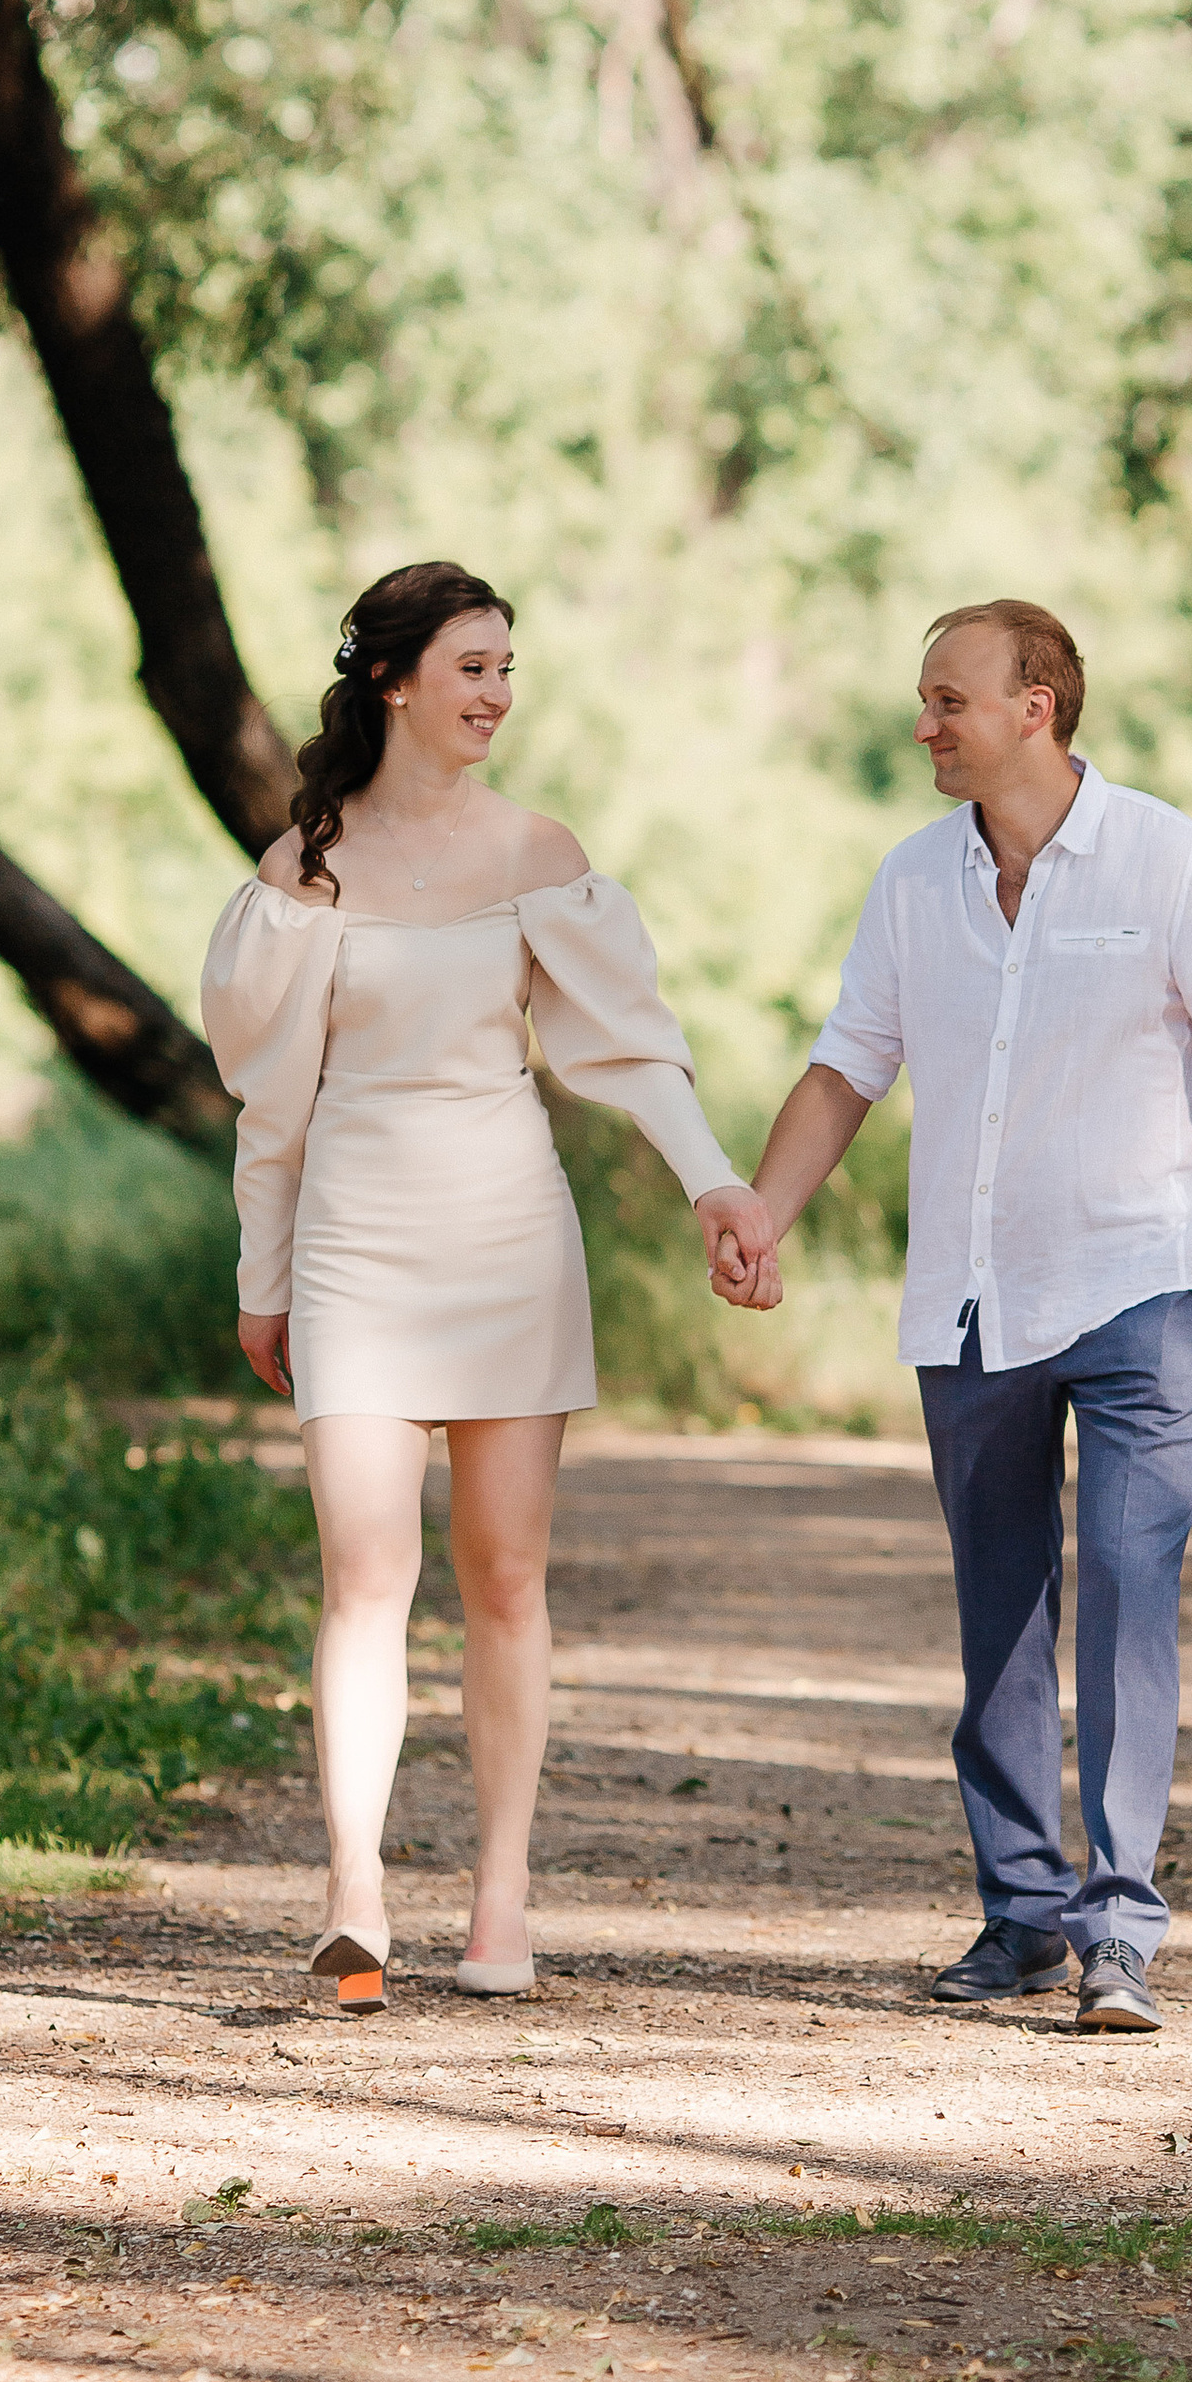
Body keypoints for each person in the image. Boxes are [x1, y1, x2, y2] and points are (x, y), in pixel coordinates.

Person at [733, 598, 1192, 2034]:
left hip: (1140, 1290)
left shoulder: (1175, 865)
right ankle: (1021, 1915)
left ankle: (1118, 1926)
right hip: (969, 1296)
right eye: (923, 699)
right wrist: (766, 1207)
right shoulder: (911, 882)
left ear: (1037, 707)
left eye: (949, 699)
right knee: (1001, 1613)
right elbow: (846, 1068)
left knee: (1133, 1597)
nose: (925, 724)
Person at [200, 560, 778, 2014]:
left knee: (505, 1577)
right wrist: (262, 1277)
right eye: (470, 667)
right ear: (392, 680)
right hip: (353, 1247)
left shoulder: (537, 854)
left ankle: (503, 1899)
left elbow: (632, 1045)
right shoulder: (302, 881)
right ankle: (353, 1893)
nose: (496, 695)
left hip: (509, 1237)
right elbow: (271, 1113)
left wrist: (714, 1177)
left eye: (507, 668)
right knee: (364, 1575)